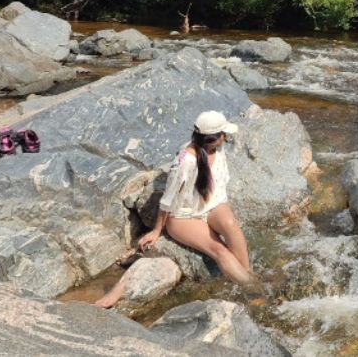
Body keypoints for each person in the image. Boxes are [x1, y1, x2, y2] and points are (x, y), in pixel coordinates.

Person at [95, 110, 255, 308]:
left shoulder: (216, 149)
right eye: (223, 134)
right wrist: (156, 231)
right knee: (219, 250)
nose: (226, 137)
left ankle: (247, 276)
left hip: (210, 205)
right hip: (183, 216)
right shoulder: (185, 161)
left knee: (232, 226)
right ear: (214, 138)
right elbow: (168, 200)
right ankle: (254, 290)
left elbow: (218, 186)